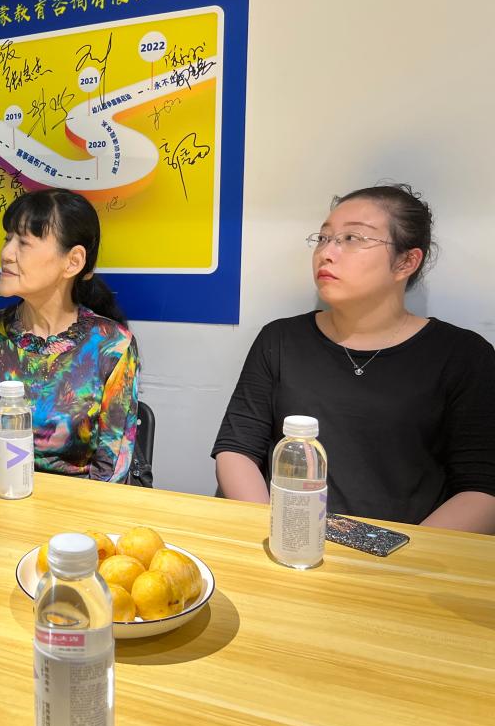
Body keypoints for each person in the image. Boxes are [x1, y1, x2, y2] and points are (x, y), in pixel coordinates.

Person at [212, 184, 495, 532]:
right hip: (290, 538)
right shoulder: (281, 339)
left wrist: (400, 554)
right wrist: (280, 531)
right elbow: (237, 450)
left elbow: (482, 490)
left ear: (406, 262)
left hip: (407, 552)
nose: (327, 253)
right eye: (323, 238)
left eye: (352, 238)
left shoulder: (463, 355)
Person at [0, 188, 140, 483]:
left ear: (73, 261)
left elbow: (111, 474)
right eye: (7, 239)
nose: (6, 254)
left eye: (24, 243)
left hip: (77, 508)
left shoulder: (112, 347)